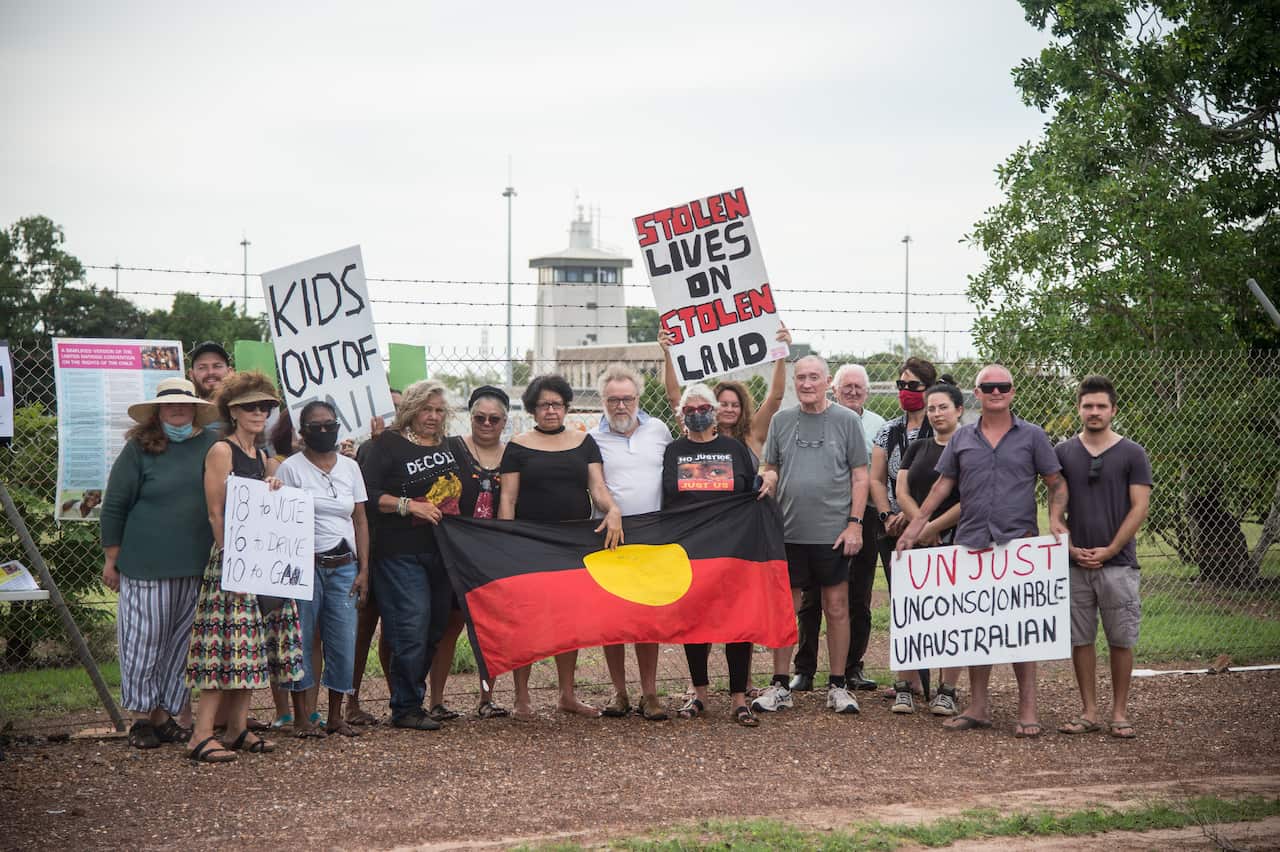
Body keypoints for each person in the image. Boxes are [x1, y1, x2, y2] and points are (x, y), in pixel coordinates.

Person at [898, 364, 1068, 738]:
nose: (995, 392)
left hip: (1018, 543)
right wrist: (914, 528)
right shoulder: (963, 439)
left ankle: (1028, 708)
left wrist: (1056, 519)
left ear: (1011, 391)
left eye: (1002, 386)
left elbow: (1056, 483)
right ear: (976, 393)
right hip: (972, 541)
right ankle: (978, 706)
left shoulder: (1033, 437)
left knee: (1022, 630)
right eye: (988, 387)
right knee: (978, 627)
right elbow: (942, 488)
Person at [186, 371, 305, 763]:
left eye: (266, 406)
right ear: (233, 411)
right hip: (232, 564)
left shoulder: (264, 457)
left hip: (262, 565)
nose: (259, 412)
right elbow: (215, 513)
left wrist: (274, 488)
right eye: (251, 406)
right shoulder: (222, 451)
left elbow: (271, 513)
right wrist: (233, 567)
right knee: (223, 649)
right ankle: (201, 734)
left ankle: (237, 729)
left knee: (252, 649)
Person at [100, 377, 220, 749]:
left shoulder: (211, 445)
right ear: (158, 410)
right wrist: (112, 558)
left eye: (184, 403)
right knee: (143, 640)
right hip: (145, 561)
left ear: (196, 407)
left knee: (180, 644)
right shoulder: (139, 448)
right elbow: (115, 504)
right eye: (170, 404)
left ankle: (164, 715)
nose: (178, 409)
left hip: (195, 562)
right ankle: (140, 718)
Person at [499, 374, 623, 720]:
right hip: (530, 543)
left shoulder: (583, 442)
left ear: (566, 407)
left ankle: (567, 694)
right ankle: (521, 697)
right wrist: (507, 543)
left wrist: (612, 509)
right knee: (525, 618)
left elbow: (597, 489)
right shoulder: (518, 445)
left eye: (556, 404)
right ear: (532, 409)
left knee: (568, 620)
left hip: (574, 543)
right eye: (543, 405)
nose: (550, 410)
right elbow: (507, 500)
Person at [752, 355, 867, 716]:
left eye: (813, 377)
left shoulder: (847, 421)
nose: (805, 384)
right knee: (787, 608)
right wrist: (768, 477)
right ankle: (781, 683)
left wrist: (855, 523)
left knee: (836, 607)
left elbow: (861, 476)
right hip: (788, 530)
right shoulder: (782, 421)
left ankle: (837, 685)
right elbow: (770, 466)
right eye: (800, 377)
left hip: (833, 532)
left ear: (827, 381)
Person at [359, 380, 461, 731]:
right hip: (400, 552)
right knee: (411, 626)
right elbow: (368, 494)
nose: (432, 417)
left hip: (443, 553)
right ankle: (405, 707)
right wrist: (408, 506)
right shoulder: (386, 444)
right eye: (425, 409)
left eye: (438, 410)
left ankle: (412, 700)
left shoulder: (451, 446)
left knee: (434, 627)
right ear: (410, 410)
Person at [1054, 375, 1152, 740]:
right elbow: (1055, 504)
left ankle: (1119, 712)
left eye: (1101, 406)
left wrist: (1111, 548)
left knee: (1120, 639)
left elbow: (1139, 506)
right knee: (1081, 639)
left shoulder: (1132, 453)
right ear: (1079, 408)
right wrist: (1066, 544)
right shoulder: (1063, 452)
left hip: (1119, 564)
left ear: (1113, 409)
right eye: (1087, 405)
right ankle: (1089, 711)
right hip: (1075, 562)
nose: (1094, 412)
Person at [662, 383, 760, 726]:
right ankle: (700, 693)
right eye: (690, 410)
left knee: (737, 621)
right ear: (681, 416)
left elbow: (750, 492)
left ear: (715, 412)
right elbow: (668, 498)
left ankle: (738, 698)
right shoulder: (674, 450)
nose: (697, 414)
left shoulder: (733, 447)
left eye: (703, 408)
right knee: (695, 621)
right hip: (691, 549)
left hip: (732, 548)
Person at [278, 401, 371, 738]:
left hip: (345, 566)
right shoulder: (290, 469)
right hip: (305, 567)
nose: (323, 430)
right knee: (300, 640)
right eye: (315, 426)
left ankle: (335, 716)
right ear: (302, 433)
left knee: (343, 640)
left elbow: (359, 518)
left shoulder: (350, 468)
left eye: (329, 424)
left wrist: (364, 569)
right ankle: (302, 718)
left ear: (337, 426)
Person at [791, 363, 885, 693]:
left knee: (857, 595)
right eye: (847, 386)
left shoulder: (878, 426)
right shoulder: (816, 422)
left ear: (867, 392)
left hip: (863, 516)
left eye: (859, 387)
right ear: (835, 388)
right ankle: (804, 668)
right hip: (822, 516)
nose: (853, 391)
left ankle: (851, 667)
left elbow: (876, 475)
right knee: (811, 598)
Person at [593, 364, 673, 721]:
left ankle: (650, 693)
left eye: (627, 398)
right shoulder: (591, 439)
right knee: (612, 618)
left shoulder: (659, 431)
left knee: (647, 617)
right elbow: (594, 485)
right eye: (613, 400)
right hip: (610, 537)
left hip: (653, 536)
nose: (621, 406)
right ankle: (620, 692)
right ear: (603, 401)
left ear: (638, 398)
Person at [426, 385, 511, 721]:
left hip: (492, 555)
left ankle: (486, 698)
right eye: (480, 417)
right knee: (448, 625)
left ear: (505, 421)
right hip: (453, 551)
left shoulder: (513, 454)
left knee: (488, 628)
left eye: (494, 418)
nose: (486, 423)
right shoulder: (450, 448)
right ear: (470, 416)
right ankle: (436, 699)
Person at [892, 379, 966, 716]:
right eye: (932, 408)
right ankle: (904, 687)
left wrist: (934, 528)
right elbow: (902, 491)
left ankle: (947, 689)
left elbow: (970, 498)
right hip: (915, 542)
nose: (936, 414)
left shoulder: (970, 448)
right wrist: (920, 527)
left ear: (959, 410)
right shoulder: (918, 448)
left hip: (955, 542)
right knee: (912, 612)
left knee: (953, 615)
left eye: (943, 407)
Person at [870, 357, 938, 700]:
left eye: (913, 386)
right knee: (904, 603)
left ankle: (940, 682)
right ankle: (908, 680)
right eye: (901, 385)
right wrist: (886, 515)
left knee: (934, 603)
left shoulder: (942, 428)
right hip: (893, 529)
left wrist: (917, 519)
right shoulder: (888, 430)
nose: (906, 392)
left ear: (929, 389)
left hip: (933, 527)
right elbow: (876, 478)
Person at [660, 324, 792, 462]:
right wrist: (668, 352)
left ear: (743, 409)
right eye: (724, 404)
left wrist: (781, 352)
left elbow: (775, 397)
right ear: (713, 407)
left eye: (735, 405)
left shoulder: (753, 434)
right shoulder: (696, 431)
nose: (729, 409)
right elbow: (674, 397)